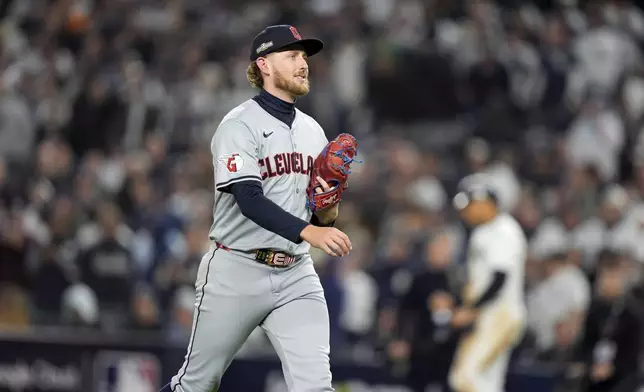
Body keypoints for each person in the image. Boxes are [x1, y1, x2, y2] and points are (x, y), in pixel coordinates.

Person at [159, 25, 352, 392]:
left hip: (296, 271)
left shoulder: (314, 132)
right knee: (196, 385)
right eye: (291, 55)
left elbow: (321, 216)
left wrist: (328, 208)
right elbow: (248, 200)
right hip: (237, 267)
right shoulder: (238, 125)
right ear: (263, 64)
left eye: (304, 56)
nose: (303, 64)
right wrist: (312, 230)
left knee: (316, 387)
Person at [448, 174, 528, 392]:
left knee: (466, 377)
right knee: (486, 381)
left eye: (470, 205)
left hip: (500, 314)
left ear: (485, 202)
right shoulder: (484, 232)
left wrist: (471, 309)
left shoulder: (504, 230)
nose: (465, 212)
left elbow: (500, 278)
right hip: (488, 314)